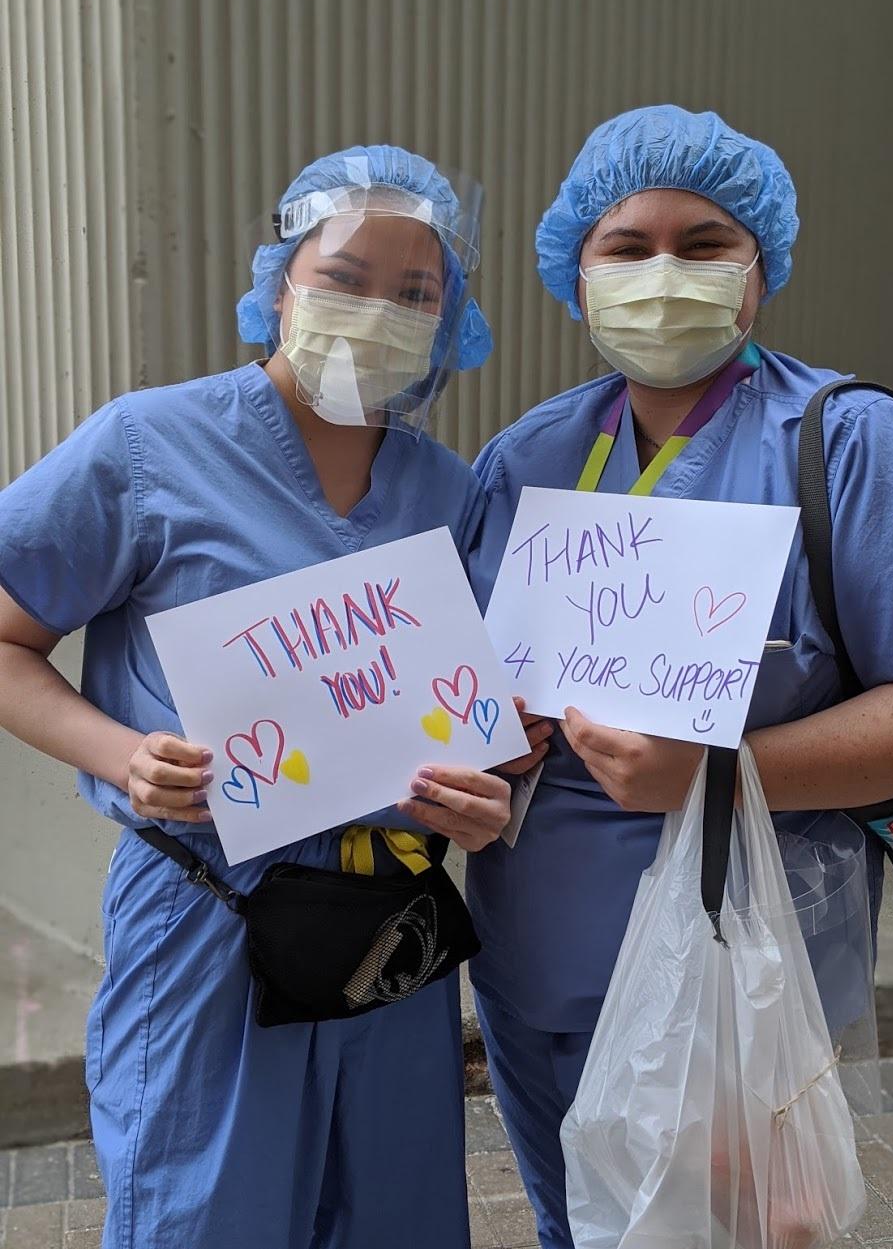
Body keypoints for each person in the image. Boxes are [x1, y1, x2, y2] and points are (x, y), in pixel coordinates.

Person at [0, 145, 536, 1249]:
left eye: (415, 292)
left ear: (450, 323)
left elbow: (482, 711)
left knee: (392, 1220)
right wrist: (116, 754)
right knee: (208, 1219)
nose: (375, 309)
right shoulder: (149, 445)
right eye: (342, 274)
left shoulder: (450, 491)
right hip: (208, 916)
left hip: (393, 924)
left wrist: (494, 794)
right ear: (279, 281)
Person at [468, 104, 893, 1249]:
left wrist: (718, 770)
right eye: (625, 248)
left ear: (760, 269)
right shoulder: (528, 460)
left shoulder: (845, 444)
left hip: (740, 975)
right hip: (534, 964)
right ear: (574, 274)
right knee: (572, 1227)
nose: (662, 275)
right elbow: (476, 687)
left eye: (703, 244)